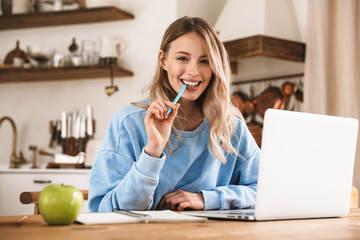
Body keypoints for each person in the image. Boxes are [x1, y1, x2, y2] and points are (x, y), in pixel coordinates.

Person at [88, 16, 260, 212]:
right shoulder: (128, 123)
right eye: (182, 58)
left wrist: (206, 200)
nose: (194, 71)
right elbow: (105, 210)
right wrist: (152, 151)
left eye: (205, 61)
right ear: (163, 60)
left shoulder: (229, 124)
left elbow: (264, 190)